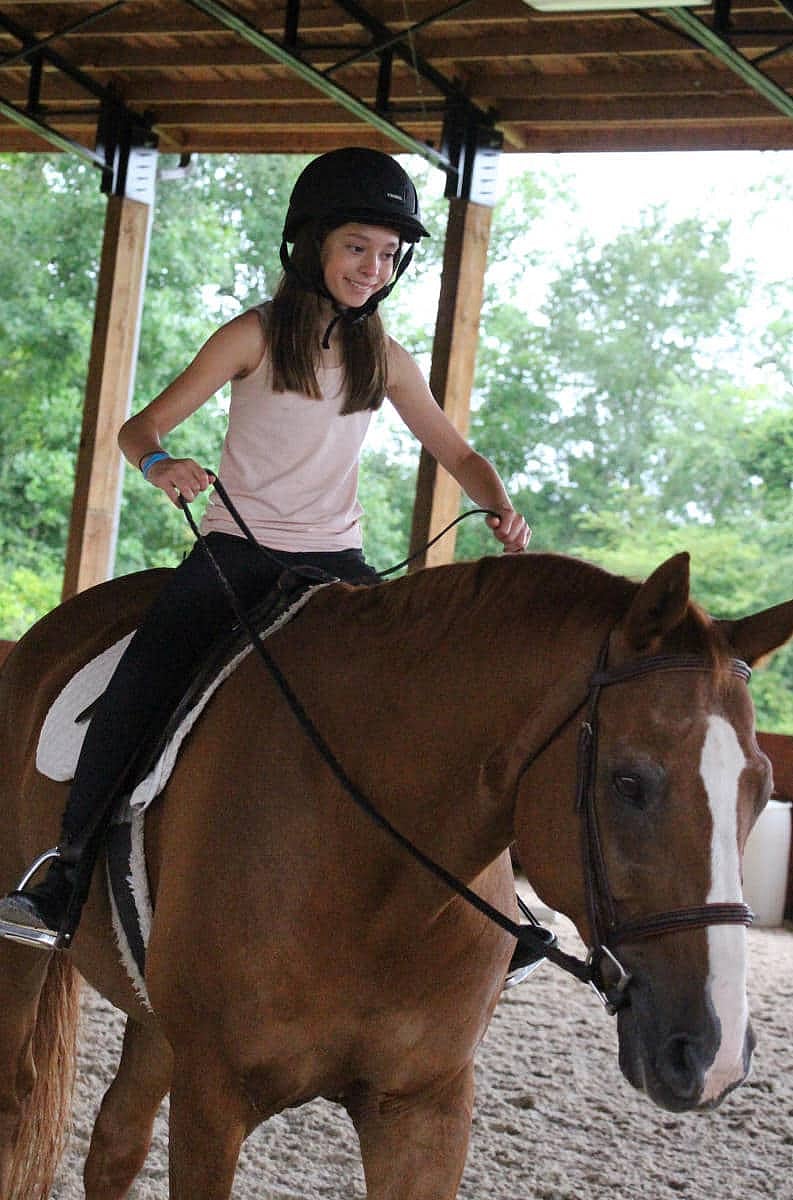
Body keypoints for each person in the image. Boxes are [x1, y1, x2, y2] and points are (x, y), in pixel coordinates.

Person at [0, 148, 532, 968]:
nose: (373, 268)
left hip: (338, 567)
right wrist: (159, 466)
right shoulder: (248, 336)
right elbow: (137, 429)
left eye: (388, 255)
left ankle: (496, 901)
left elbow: (455, 454)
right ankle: (63, 874)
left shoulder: (384, 359)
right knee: (140, 689)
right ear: (311, 244)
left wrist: (495, 497)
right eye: (358, 247)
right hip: (237, 558)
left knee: (428, 706)